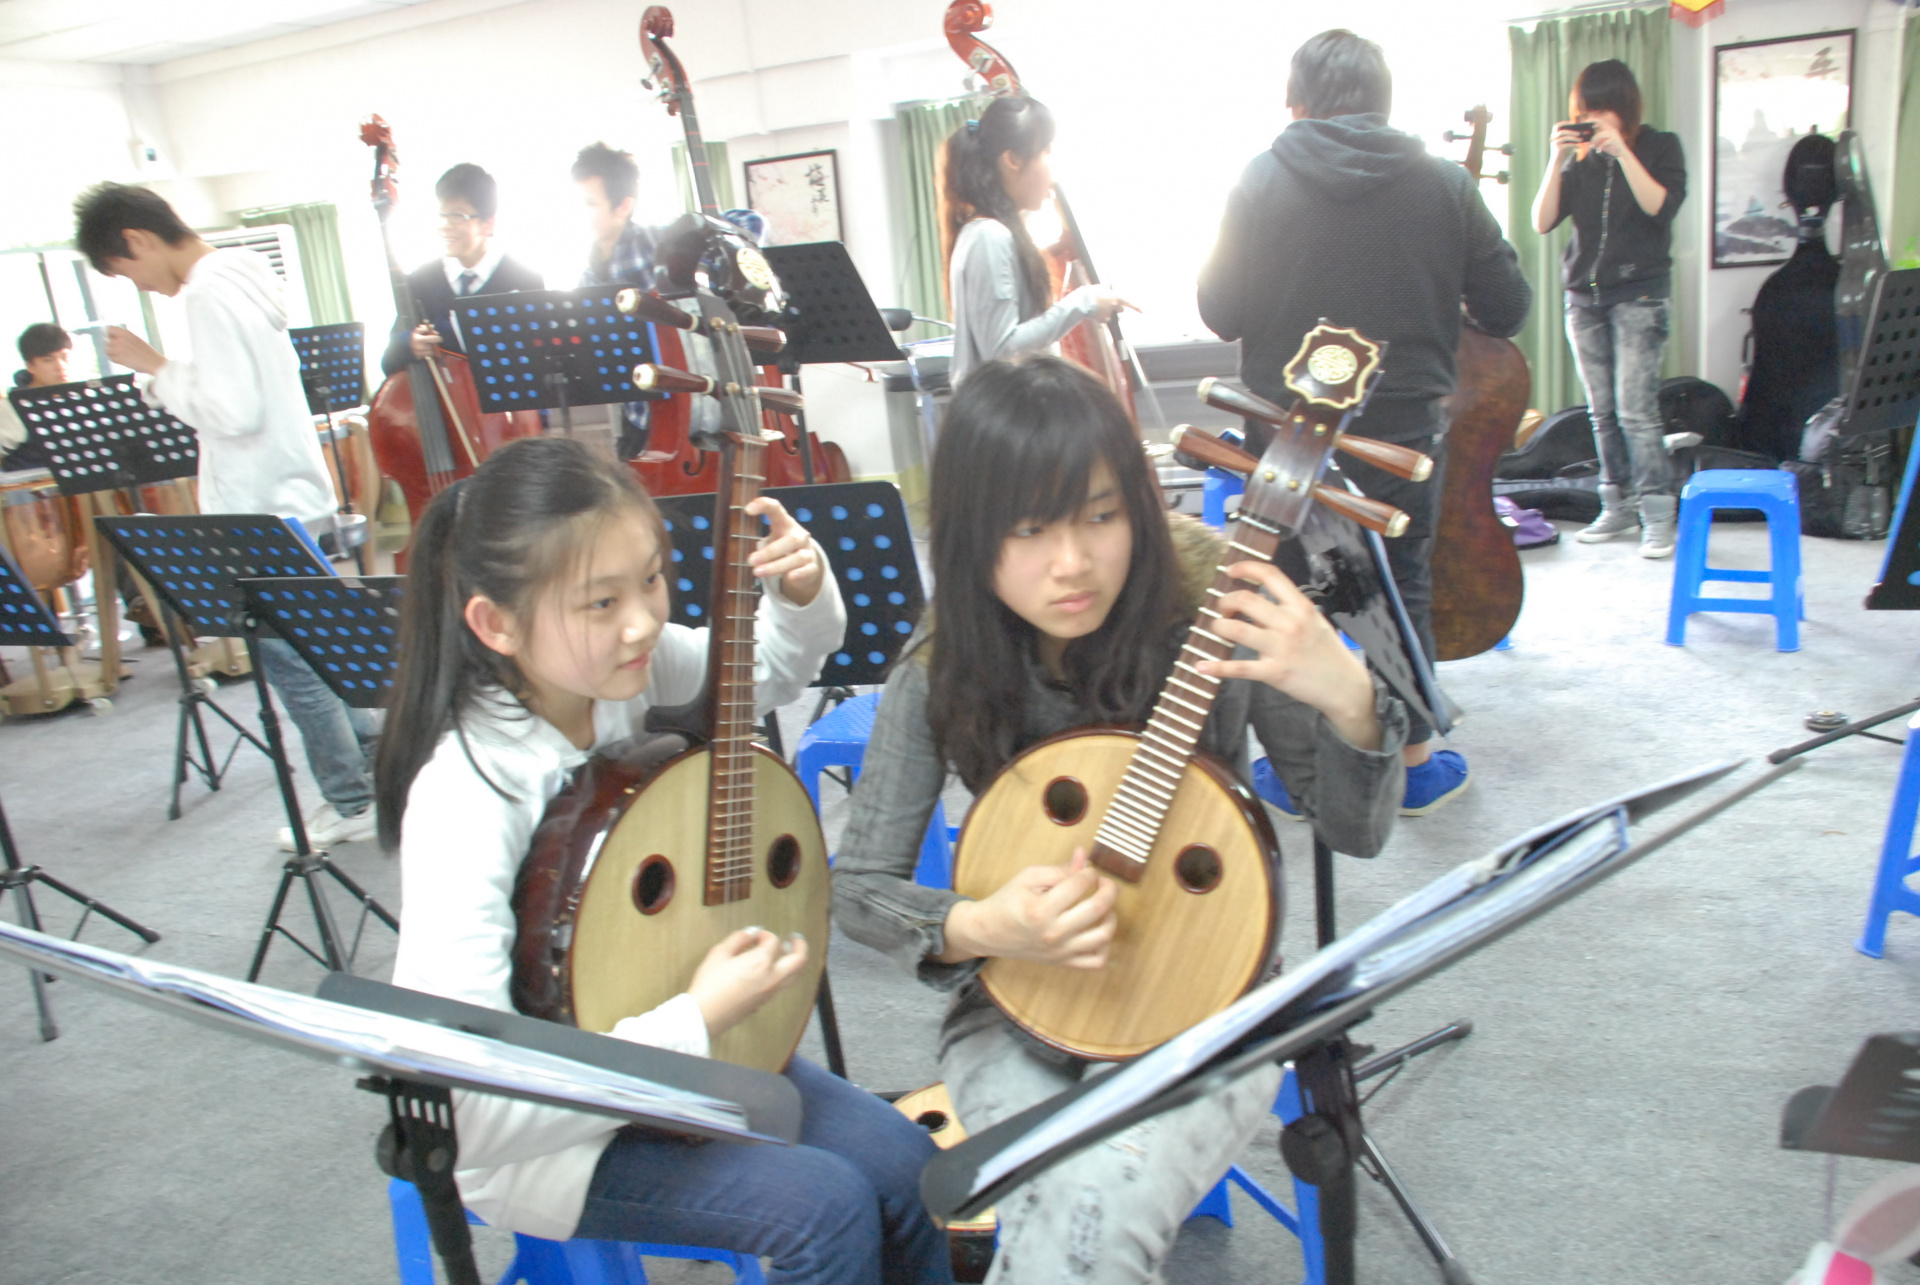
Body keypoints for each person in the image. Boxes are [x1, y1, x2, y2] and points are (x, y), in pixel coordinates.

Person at [833, 356, 1405, 1284]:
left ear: (1140, 504)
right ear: (972, 535)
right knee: (1077, 1210)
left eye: (1101, 516)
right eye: (1030, 528)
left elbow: (1355, 828)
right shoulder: (945, 658)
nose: (1073, 562)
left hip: (1214, 995)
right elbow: (858, 889)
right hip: (1018, 1003)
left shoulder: (1219, 603)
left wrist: (1350, 698)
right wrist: (984, 924)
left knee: (1087, 1215)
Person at [374, 436, 948, 1283]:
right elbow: (472, 1106)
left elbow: (761, 669)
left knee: (908, 1166)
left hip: (685, 1049)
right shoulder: (467, 794)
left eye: (651, 579)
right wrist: (698, 1016)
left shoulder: (626, 670)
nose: (642, 620)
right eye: (601, 601)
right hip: (557, 1136)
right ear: (497, 623)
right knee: (824, 1208)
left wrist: (799, 592)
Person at [1197, 28, 1532, 817]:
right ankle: (1411, 766)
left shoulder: (1259, 177)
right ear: (1384, 104)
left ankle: (1299, 766)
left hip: (1287, 426)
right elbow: (1508, 307)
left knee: (1287, 585)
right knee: (1401, 578)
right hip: (1402, 430)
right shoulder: (1444, 184)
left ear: (1296, 105)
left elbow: (1219, 311)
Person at [72, 182, 378, 848]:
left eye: (127, 272)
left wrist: (156, 369)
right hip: (293, 498)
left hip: (261, 510)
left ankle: (351, 799)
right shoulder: (243, 272)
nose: (140, 287)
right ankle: (376, 778)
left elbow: (233, 411)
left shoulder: (208, 292)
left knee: (296, 669)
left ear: (137, 239)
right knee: (325, 656)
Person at [1530, 59, 1687, 557]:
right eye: (1584, 111)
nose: (1593, 120)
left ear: (1624, 108)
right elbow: (1541, 221)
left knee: (1636, 410)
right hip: (1584, 300)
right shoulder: (1579, 162)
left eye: (1601, 110)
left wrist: (1623, 153)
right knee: (1601, 413)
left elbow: (1660, 206)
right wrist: (1556, 159)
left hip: (1640, 295)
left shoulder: (1660, 147)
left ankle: (1658, 514)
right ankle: (1615, 505)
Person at [940, 96, 1130, 389]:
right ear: (1013, 160)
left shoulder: (991, 231)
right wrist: (1084, 301)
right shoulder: (990, 236)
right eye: (1046, 150)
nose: (1052, 170)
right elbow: (1003, 351)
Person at [379, 162, 544, 377]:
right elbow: (388, 362)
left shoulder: (525, 281)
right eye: (442, 215)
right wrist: (409, 345)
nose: (445, 226)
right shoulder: (420, 281)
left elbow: (543, 362)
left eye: (457, 216)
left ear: (488, 223)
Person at [575, 142, 660, 459]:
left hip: (687, 411)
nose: (579, 213)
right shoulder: (588, 272)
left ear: (623, 205)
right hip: (636, 417)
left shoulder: (658, 241)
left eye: (590, 204)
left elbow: (751, 223)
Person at [1, 323, 75, 469]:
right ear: (30, 366)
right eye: (48, 360)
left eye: (64, 357)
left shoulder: (80, 398)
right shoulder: (12, 407)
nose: (60, 366)